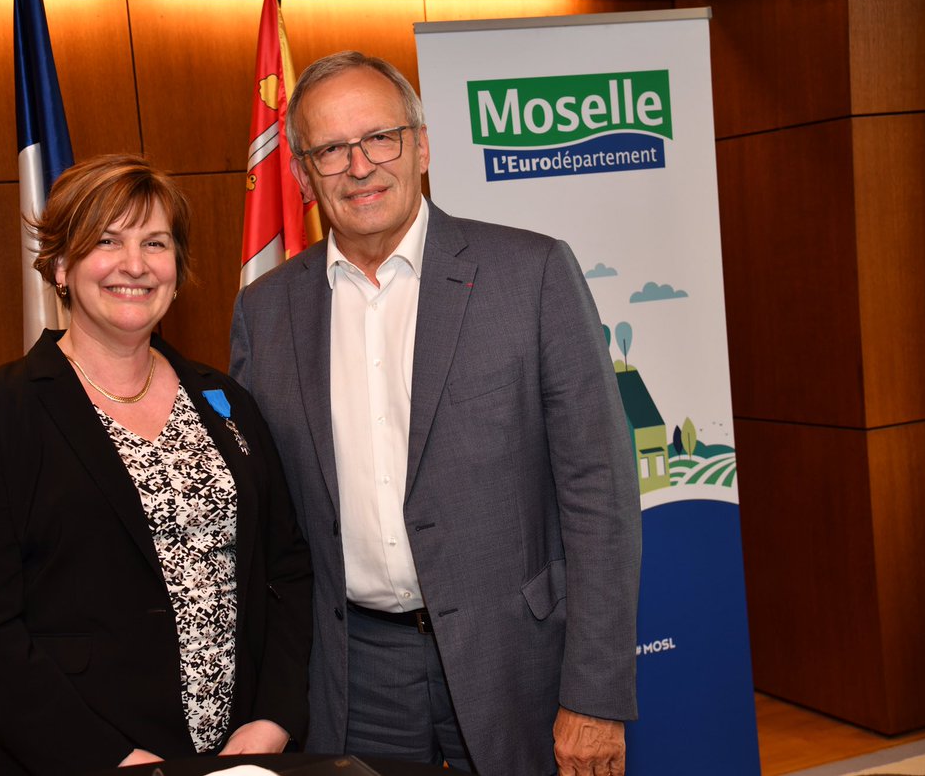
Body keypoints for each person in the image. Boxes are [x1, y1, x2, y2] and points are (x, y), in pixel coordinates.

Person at [229, 52, 642, 776]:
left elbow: (599, 496)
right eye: (330, 148)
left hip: (516, 656)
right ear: (301, 174)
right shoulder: (265, 313)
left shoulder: (532, 273)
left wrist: (596, 694)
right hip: (352, 670)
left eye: (380, 137)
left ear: (422, 145)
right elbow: (266, 521)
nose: (360, 165)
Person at [0, 154, 312, 775]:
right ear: (60, 266)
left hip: (237, 756)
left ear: (176, 271)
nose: (135, 264)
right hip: (78, 759)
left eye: (154, 243)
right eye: (107, 241)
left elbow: (287, 568)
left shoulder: (224, 400)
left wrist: (274, 717)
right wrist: (109, 758)